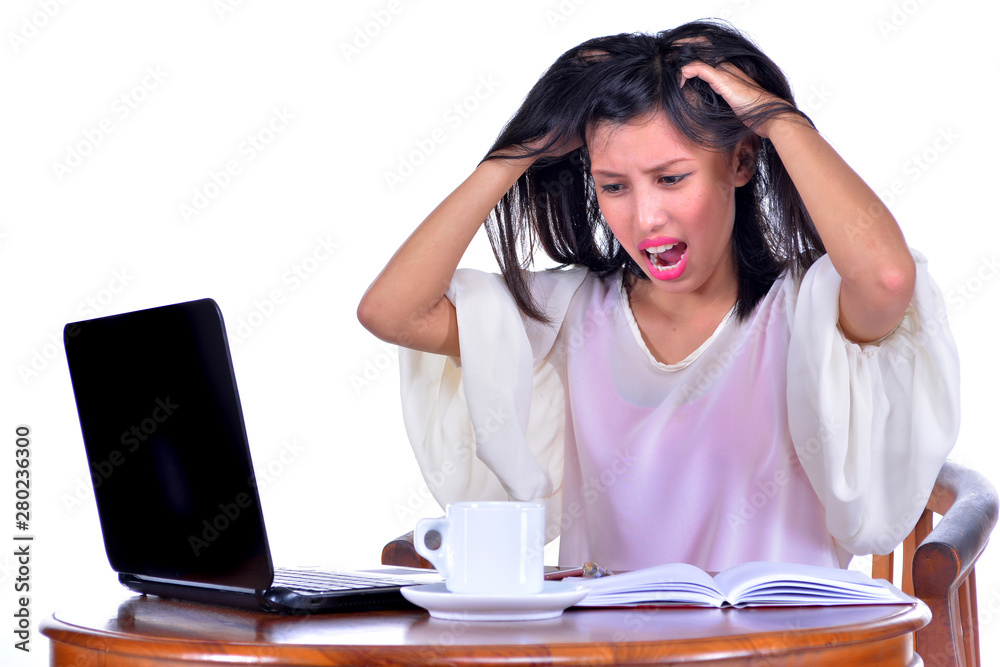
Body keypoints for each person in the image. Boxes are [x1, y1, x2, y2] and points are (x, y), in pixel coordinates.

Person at [357, 20, 959, 572]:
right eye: (614, 186)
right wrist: (514, 155)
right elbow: (392, 311)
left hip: (783, 650)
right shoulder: (568, 316)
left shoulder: (809, 311)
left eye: (672, 179)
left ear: (741, 162)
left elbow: (885, 279)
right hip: (613, 652)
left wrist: (780, 121)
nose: (645, 217)